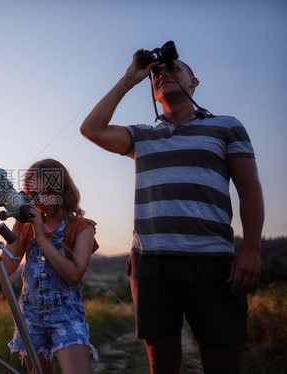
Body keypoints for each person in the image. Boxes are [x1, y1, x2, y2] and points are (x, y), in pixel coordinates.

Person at [80, 49, 264, 374]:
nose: (162, 73)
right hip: (152, 264)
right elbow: (91, 129)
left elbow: (249, 189)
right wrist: (130, 77)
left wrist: (250, 249)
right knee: (162, 363)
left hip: (212, 261)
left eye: (173, 68)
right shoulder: (141, 135)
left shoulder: (226, 127)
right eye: (156, 73)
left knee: (223, 361)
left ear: (194, 82)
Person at [1, 158, 99, 374]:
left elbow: (73, 276)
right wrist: (18, 223)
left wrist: (42, 238)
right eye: (33, 195)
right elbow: (6, 270)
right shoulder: (26, 227)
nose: (41, 200)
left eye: (46, 191)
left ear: (62, 190)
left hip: (66, 316)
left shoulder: (81, 228)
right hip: (31, 316)